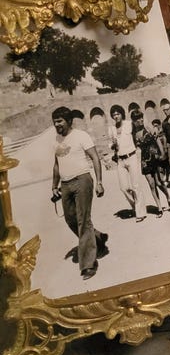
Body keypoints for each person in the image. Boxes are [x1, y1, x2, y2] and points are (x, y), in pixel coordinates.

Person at [51, 106, 108, 280]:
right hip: (65, 184)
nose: (56, 124)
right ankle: (97, 238)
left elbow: (95, 158)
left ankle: (89, 264)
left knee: (83, 220)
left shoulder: (81, 136)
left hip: (82, 180)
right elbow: (56, 164)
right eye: (54, 122)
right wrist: (54, 186)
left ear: (69, 121)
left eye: (60, 121)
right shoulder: (56, 139)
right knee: (70, 219)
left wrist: (99, 182)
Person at [131, 110, 170, 216]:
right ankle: (159, 207)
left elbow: (158, 140)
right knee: (151, 184)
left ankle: (168, 197)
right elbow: (135, 148)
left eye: (141, 117)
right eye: (137, 119)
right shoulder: (134, 134)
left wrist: (162, 153)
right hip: (145, 161)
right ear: (134, 121)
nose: (140, 120)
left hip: (155, 157)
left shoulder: (148, 128)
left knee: (159, 183)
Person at [108, 104, 146, 222]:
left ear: (122, 114)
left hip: (131, 157)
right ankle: (136, 206)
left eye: (118, 114)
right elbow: (110, 144)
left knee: (136, 185)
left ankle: (140, 213)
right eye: (114, 115)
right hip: (120, 160)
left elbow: (138, 131)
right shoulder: (111, 129)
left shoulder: (129, 124)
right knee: (123, 187)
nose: (116, 116)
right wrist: (112, 145)